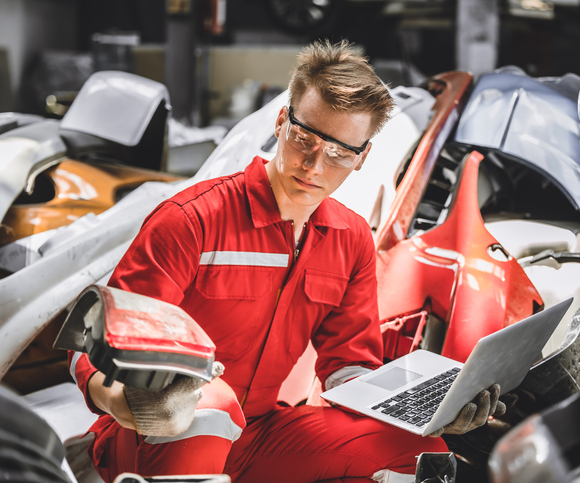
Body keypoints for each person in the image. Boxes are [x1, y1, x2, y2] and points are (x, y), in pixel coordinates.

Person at [68, 39, 504, 483]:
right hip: (148, 440)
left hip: (257, 434)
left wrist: (426, 409)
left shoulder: (350, 238)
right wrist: (124, 400)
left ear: (361, 159)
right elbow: (93, 348)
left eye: (338, 153)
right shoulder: (191, 221)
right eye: (305, 138)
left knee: (418, 452)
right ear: (281, 122)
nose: (315, 165)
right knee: (209, 402)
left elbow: (349, 367)